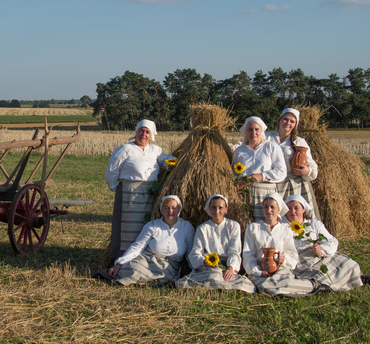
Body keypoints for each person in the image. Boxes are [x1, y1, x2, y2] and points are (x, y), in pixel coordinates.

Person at [104, 119, 175, 259]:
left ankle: (143, 256)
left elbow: (168, 161)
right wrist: (116, 189)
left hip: (149, 193)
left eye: (147, 132)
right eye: (141, 131)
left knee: (146, 225)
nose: (143, 134)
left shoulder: (155, 150)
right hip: (129, 192)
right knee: (127, 228)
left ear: (151, 135)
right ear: (136, 132)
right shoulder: (125, 149)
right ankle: (123, 257)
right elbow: (111, 171)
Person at [95, 195, 194, 286]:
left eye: (174, 208)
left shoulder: (186, 227)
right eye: (166, 208)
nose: (170, 211)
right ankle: (112, 273)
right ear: (161, 210)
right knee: (135, 269)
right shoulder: (153, 225)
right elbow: (138, 246)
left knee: (164, 278)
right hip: (148, 259)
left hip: (170, 265)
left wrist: (195, 269)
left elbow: (190, 251)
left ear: (179, 209)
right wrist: (119, 263)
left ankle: (136, 280)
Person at [283, 195, 370, 291]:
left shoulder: (314, 224)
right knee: (320, 275)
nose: (293, 212)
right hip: (301, 261)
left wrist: (321, 249)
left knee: (349, 264)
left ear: (303, 209)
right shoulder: (282, 227)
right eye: (289, 208)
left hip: (319, 256)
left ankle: (356, 278)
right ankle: (326, 286)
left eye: (296, 208)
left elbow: (331, 241)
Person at [243, 193, 320, 297]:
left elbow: (292, 255)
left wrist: (283, 259)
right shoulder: (253, 228)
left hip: (280, 269)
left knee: (281, 281)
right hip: (260, 271)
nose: (268, 210)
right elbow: (248, 254)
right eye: (266, 207)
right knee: (265, 286)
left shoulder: (285, 230)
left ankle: (307, 286)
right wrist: (257, 272)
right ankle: (306, 287)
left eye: (272, 207)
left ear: (279, 209)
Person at [175, 194, 255, 293]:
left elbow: (235, 251)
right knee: (204, 278)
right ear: (209, 208)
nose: (217, 211)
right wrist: (205, 262)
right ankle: (217, 285)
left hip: (225, 267)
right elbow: (195, 253)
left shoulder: (233, 226)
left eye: (220, 208)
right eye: (214, 207)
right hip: (208, 269)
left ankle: (214, 285)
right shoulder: (203, 228)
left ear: (226, 209)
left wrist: (231, 268)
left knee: (246, 285)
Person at [266, 108, 321, 218]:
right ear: (279, 120)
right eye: (285, 119)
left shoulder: (298, 141)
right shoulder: (267, 137)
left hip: (293, 184)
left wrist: (307, 171)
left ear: (295, 125)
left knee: (295, 215)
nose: (288, 123)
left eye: (292, 121)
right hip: (271, 182)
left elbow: (310, 163)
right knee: (274, 215)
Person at [232, 116, 286, 222]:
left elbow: (281, 172)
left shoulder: (271, 147)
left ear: (261, 131)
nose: (253, 133)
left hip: (265, 194)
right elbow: (233, 172)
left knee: (266, 224)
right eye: (250, 129)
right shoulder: (239, 151)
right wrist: (238, 181)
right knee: (246, 224)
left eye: (256, 129)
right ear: (245, 132)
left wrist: (261, 176)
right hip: (244, 194)